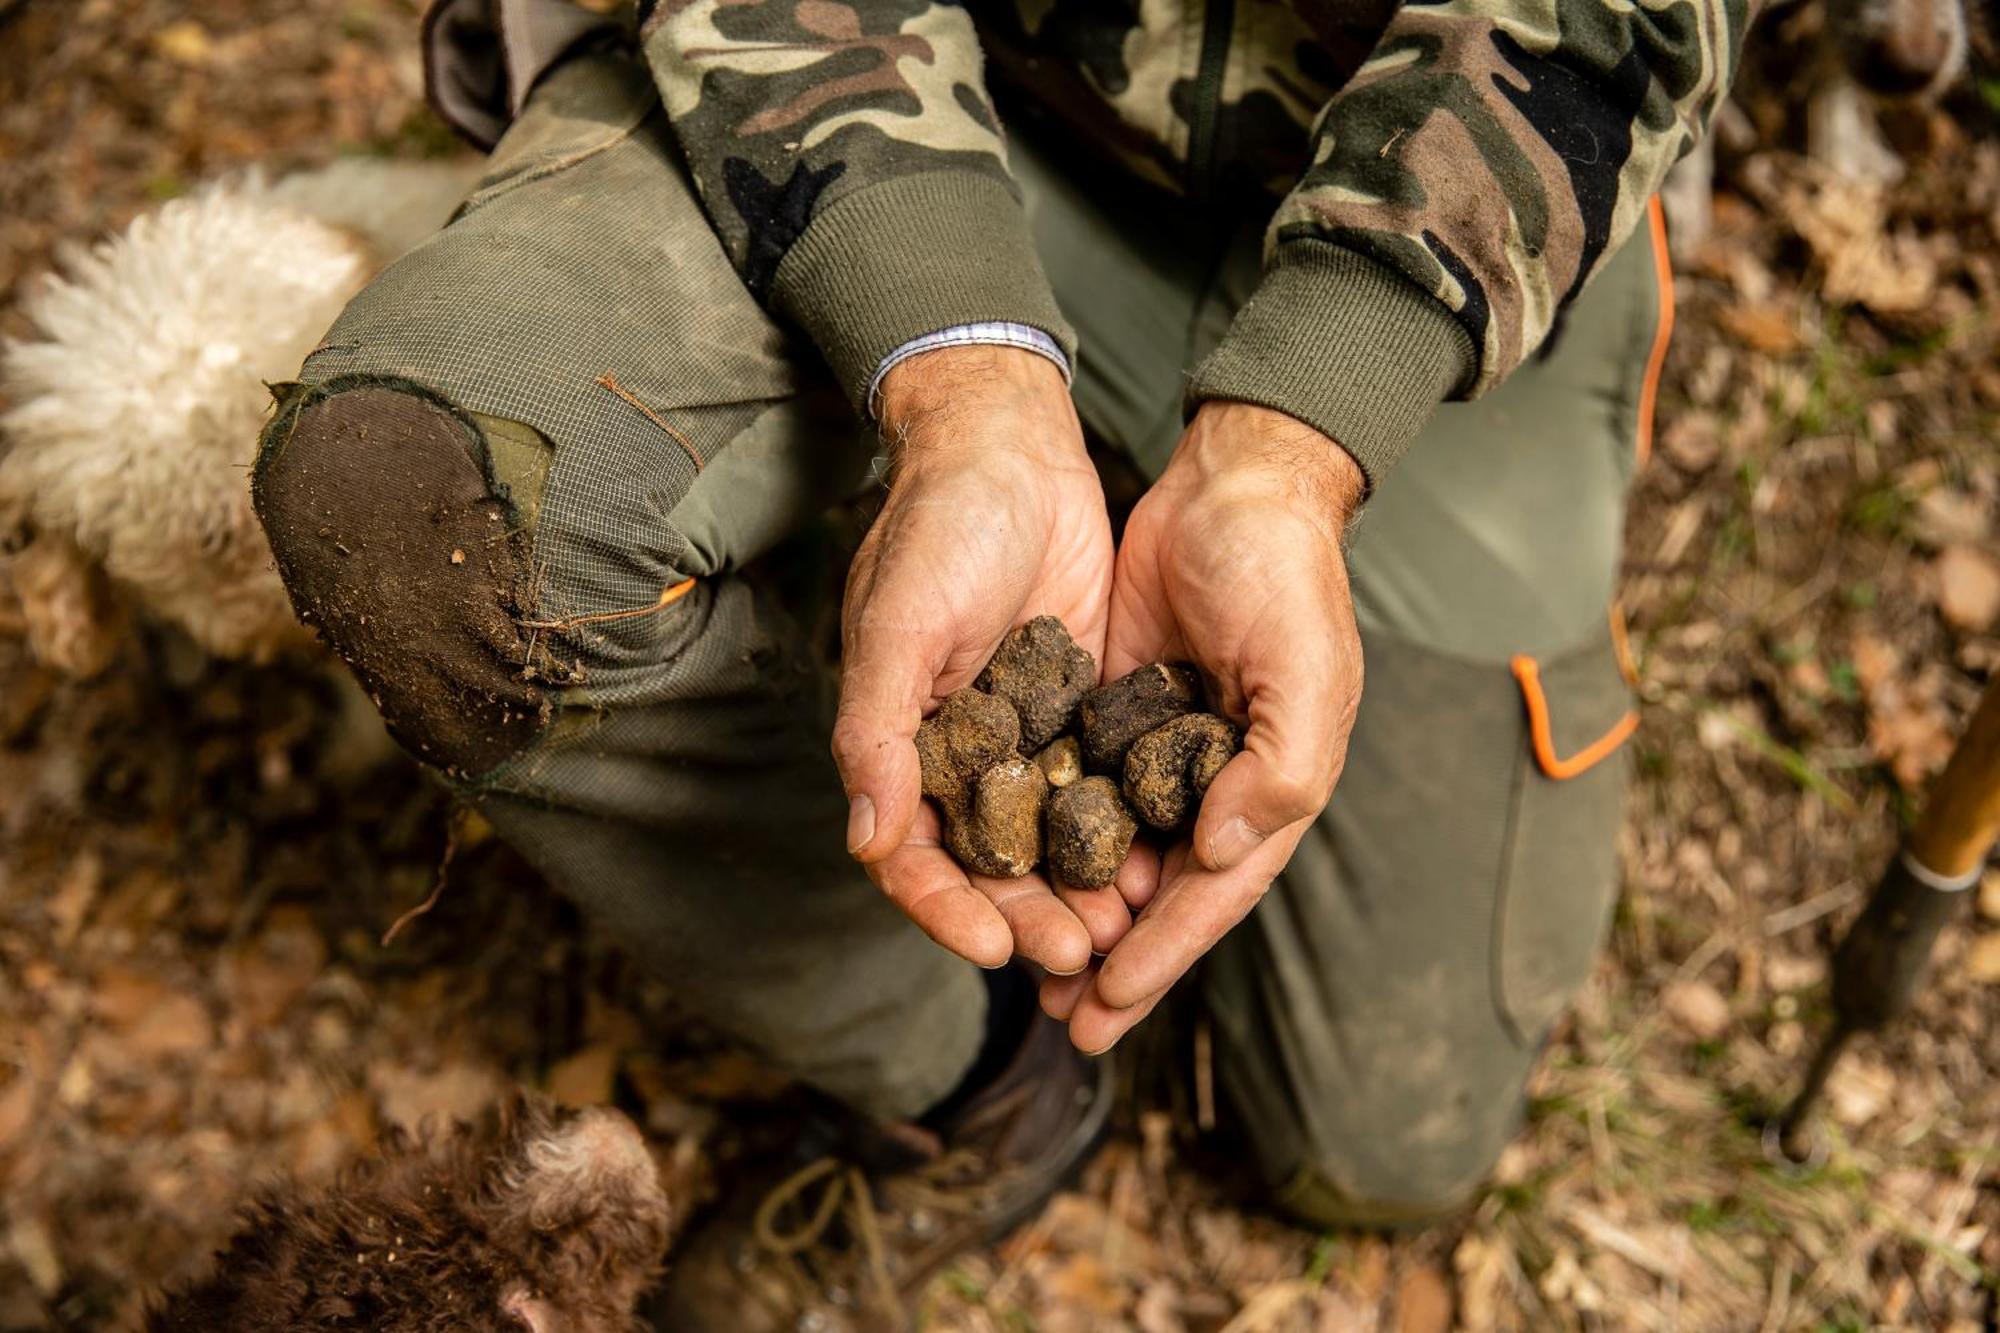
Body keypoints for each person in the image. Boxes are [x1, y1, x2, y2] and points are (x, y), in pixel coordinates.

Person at [250, 0, 1746, 1321]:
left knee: (1376, 1143)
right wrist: (959, 378)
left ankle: (1105, 465)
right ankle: (973, 1079)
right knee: (426, 503)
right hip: (910, 102)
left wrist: (1301, 437)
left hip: (1434, 186)